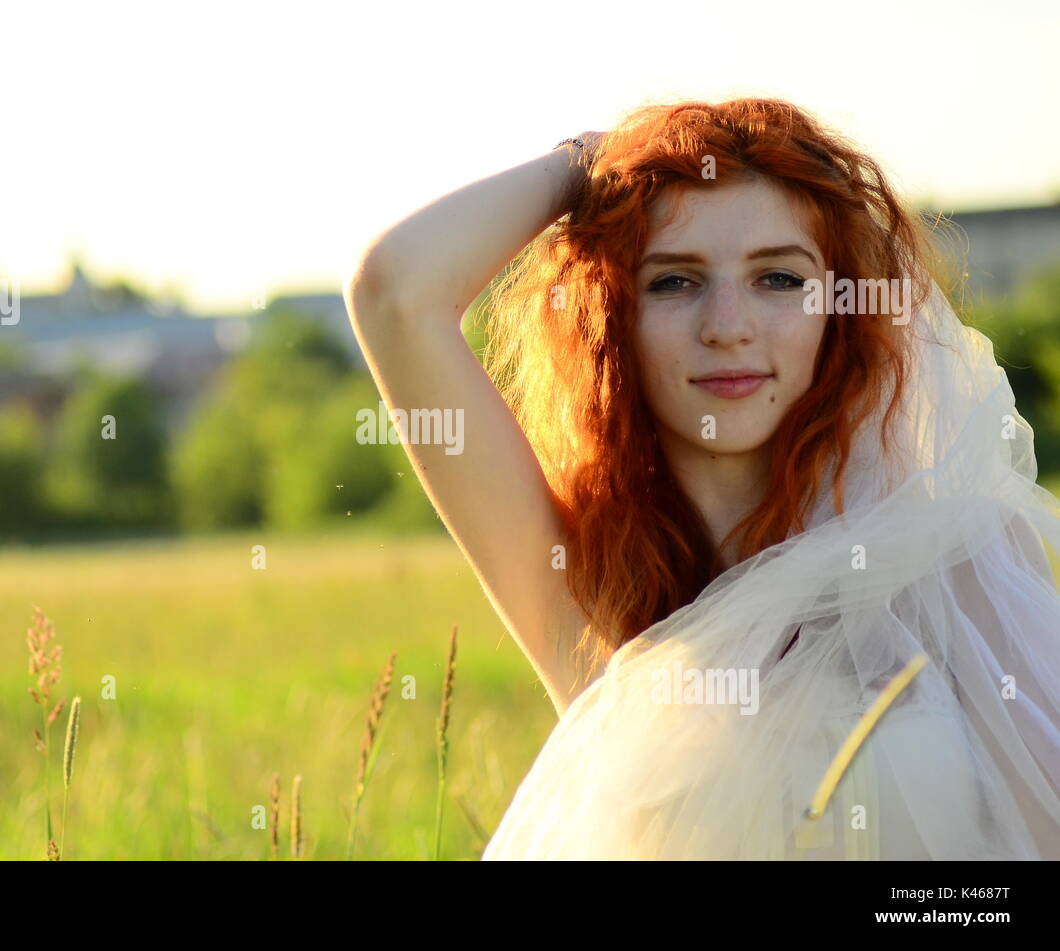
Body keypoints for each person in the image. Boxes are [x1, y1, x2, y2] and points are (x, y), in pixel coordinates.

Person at [342, 98, 1060, 859]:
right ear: (613, 317)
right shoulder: (584, 588)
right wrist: (588, 162)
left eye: (778, 279)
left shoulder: (950, 553)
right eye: (674, 282)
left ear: (838, 313)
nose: (727, 324)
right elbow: (396, 289)